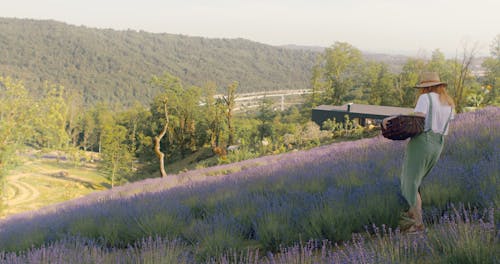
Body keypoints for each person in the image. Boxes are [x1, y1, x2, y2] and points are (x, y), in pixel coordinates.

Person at [383, 72, 454, 233]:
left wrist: (391, 119)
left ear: (426, 87)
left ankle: (418, 224)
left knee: (409, 183)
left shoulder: (425, 98)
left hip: (422, 142)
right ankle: (412, 213)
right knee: (417, 180)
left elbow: (417, 120)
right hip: (438, 144)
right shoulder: (448, 102)